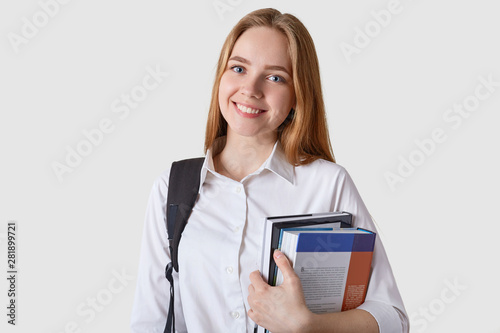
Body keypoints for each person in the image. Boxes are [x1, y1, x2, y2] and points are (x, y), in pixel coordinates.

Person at [131, 7, 408, 333]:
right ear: (221, 76)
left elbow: (393, 319)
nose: (250, 89)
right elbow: (150, 319)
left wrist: (310, 325)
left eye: (275, 77)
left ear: (296, 96)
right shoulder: (172, 188)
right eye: (238, 68)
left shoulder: (327, 184)